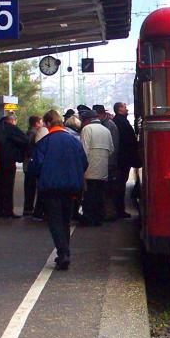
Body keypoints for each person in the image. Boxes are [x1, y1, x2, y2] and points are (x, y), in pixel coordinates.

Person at [28, 110, 88, 270]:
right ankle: (65, 251)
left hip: (51, 187)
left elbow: (35, 166)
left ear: (48, 124)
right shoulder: (74, 141)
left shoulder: (44, 143)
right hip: (71, 187)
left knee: (55, 221)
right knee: (66, 220)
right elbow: (84, 162)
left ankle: (63, 253)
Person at [79, 109, 113, 226]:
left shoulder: (87, 129)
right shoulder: (106, 130)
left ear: (87, 120)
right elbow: (111, 149)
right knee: (99, 194)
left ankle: (89, 218)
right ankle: (98, 218)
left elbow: (83, 150)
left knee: (89, 195)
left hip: (89, 169)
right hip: (103, 169)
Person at [0, 112, 28, 218]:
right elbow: (24, 139)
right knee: (8, 186)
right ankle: (7, 211)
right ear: (12, 120)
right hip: (8, 160)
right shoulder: (10, 128)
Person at [112, 102, 139, 218]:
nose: (126, 109)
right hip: (123, 159)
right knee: (121, 184)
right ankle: (119, 210)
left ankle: (119, 209)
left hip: (122, 158)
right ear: (119, 109)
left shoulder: (118, 121)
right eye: (124, 107)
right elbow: (128, 140)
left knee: (121, 184)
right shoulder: (121, 122)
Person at [93, 104, 120, 220]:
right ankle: (107, 212)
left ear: (100, 114)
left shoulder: (109, 126)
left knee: (108, 190)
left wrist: (109, 161)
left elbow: (113, 146)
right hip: (107, 162)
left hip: (109, 163)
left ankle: (110, 213)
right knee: (105, 190)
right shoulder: (107, 124)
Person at [23, 115, 43, 217]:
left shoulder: (28, 132)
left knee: (29, 187)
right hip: (31, 164)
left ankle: (28, 208)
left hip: (28, 164)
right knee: (31, 187)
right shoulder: (34, 134)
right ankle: (29, 209)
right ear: (36, 123)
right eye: (41, 122)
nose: (42, 124)